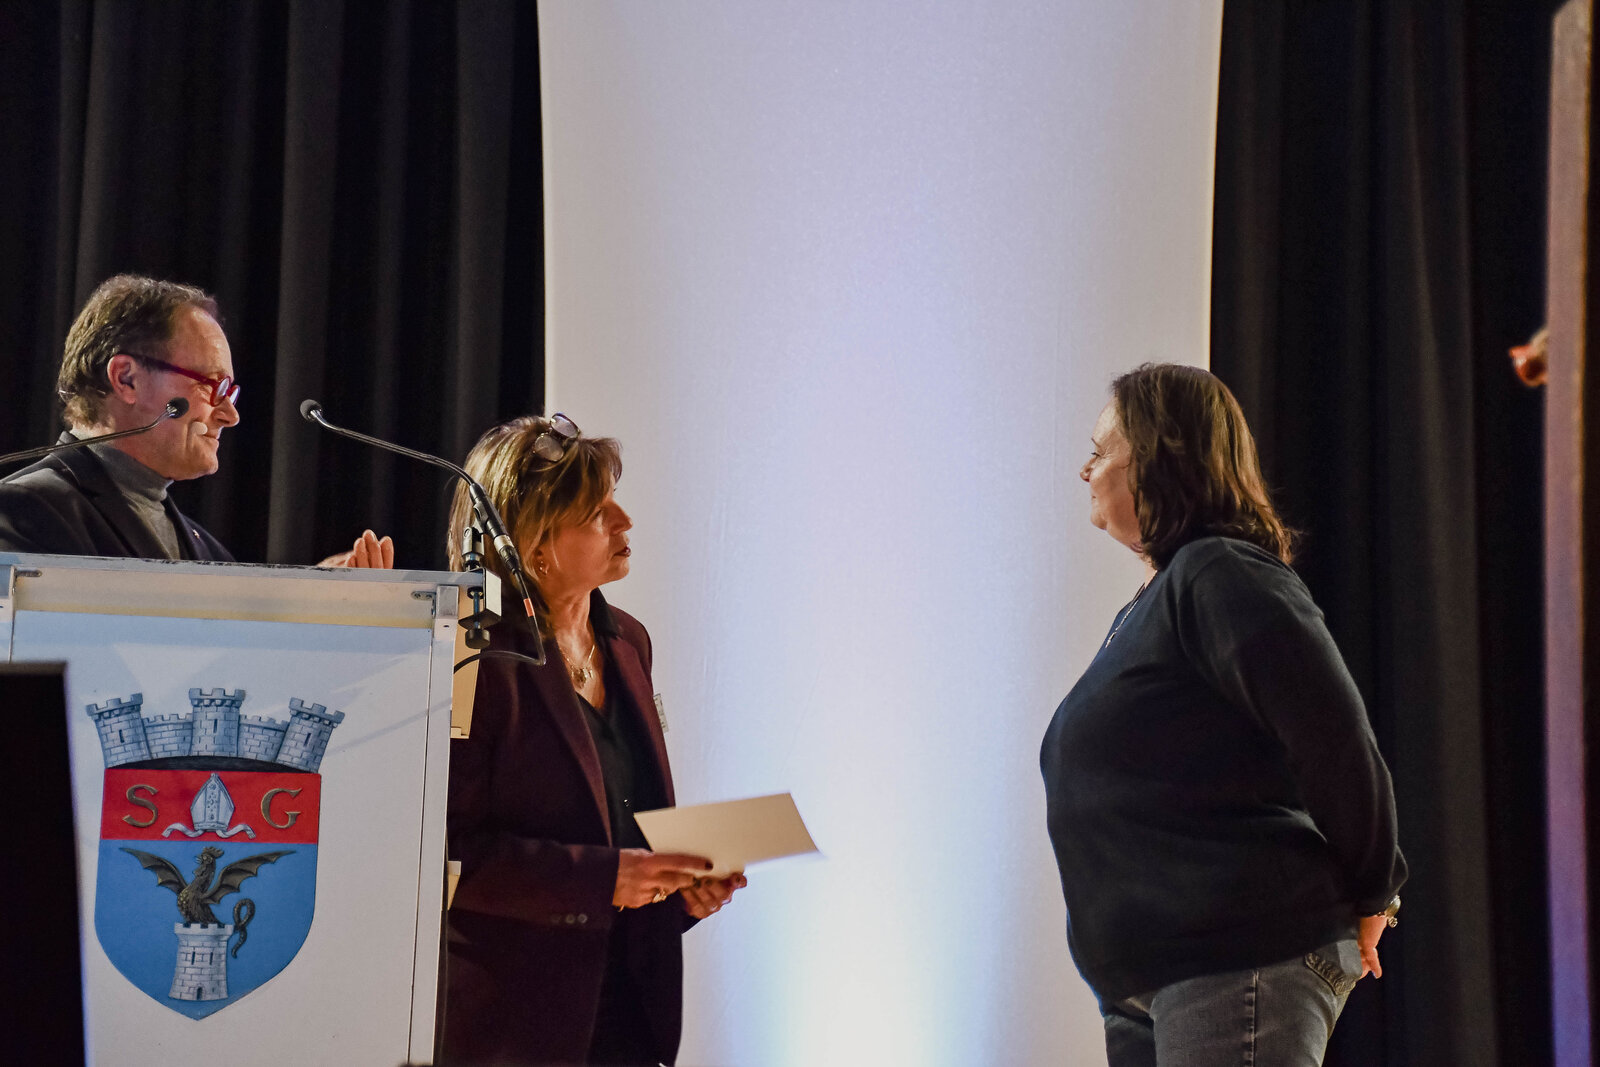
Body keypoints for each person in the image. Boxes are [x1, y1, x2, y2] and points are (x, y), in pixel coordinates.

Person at [1040, 363, 1407, 1066]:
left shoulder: (1219, 572)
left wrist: (1375, 888)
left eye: (1100, 450)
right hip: (1148, 980)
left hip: (1237, 954)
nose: (1087, 469)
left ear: (1158, 455)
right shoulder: (1143, 609)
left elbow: (1333, 734)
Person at [441, 414, 745, 1066]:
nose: (624, 520)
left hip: (630, 1011)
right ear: (536, 542)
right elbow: (449, 855)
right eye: (597, 511)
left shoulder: (628, 640)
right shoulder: (475, 657)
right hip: (515, 1026)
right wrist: (603, 879)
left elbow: (621, 820)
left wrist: (678, 888)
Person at [0, 273, 391, 566]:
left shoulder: (204, 547)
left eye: (230, 392)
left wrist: (317, 600)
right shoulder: (26, 510)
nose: (230, 415)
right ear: (126, 378)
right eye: (212, 386)